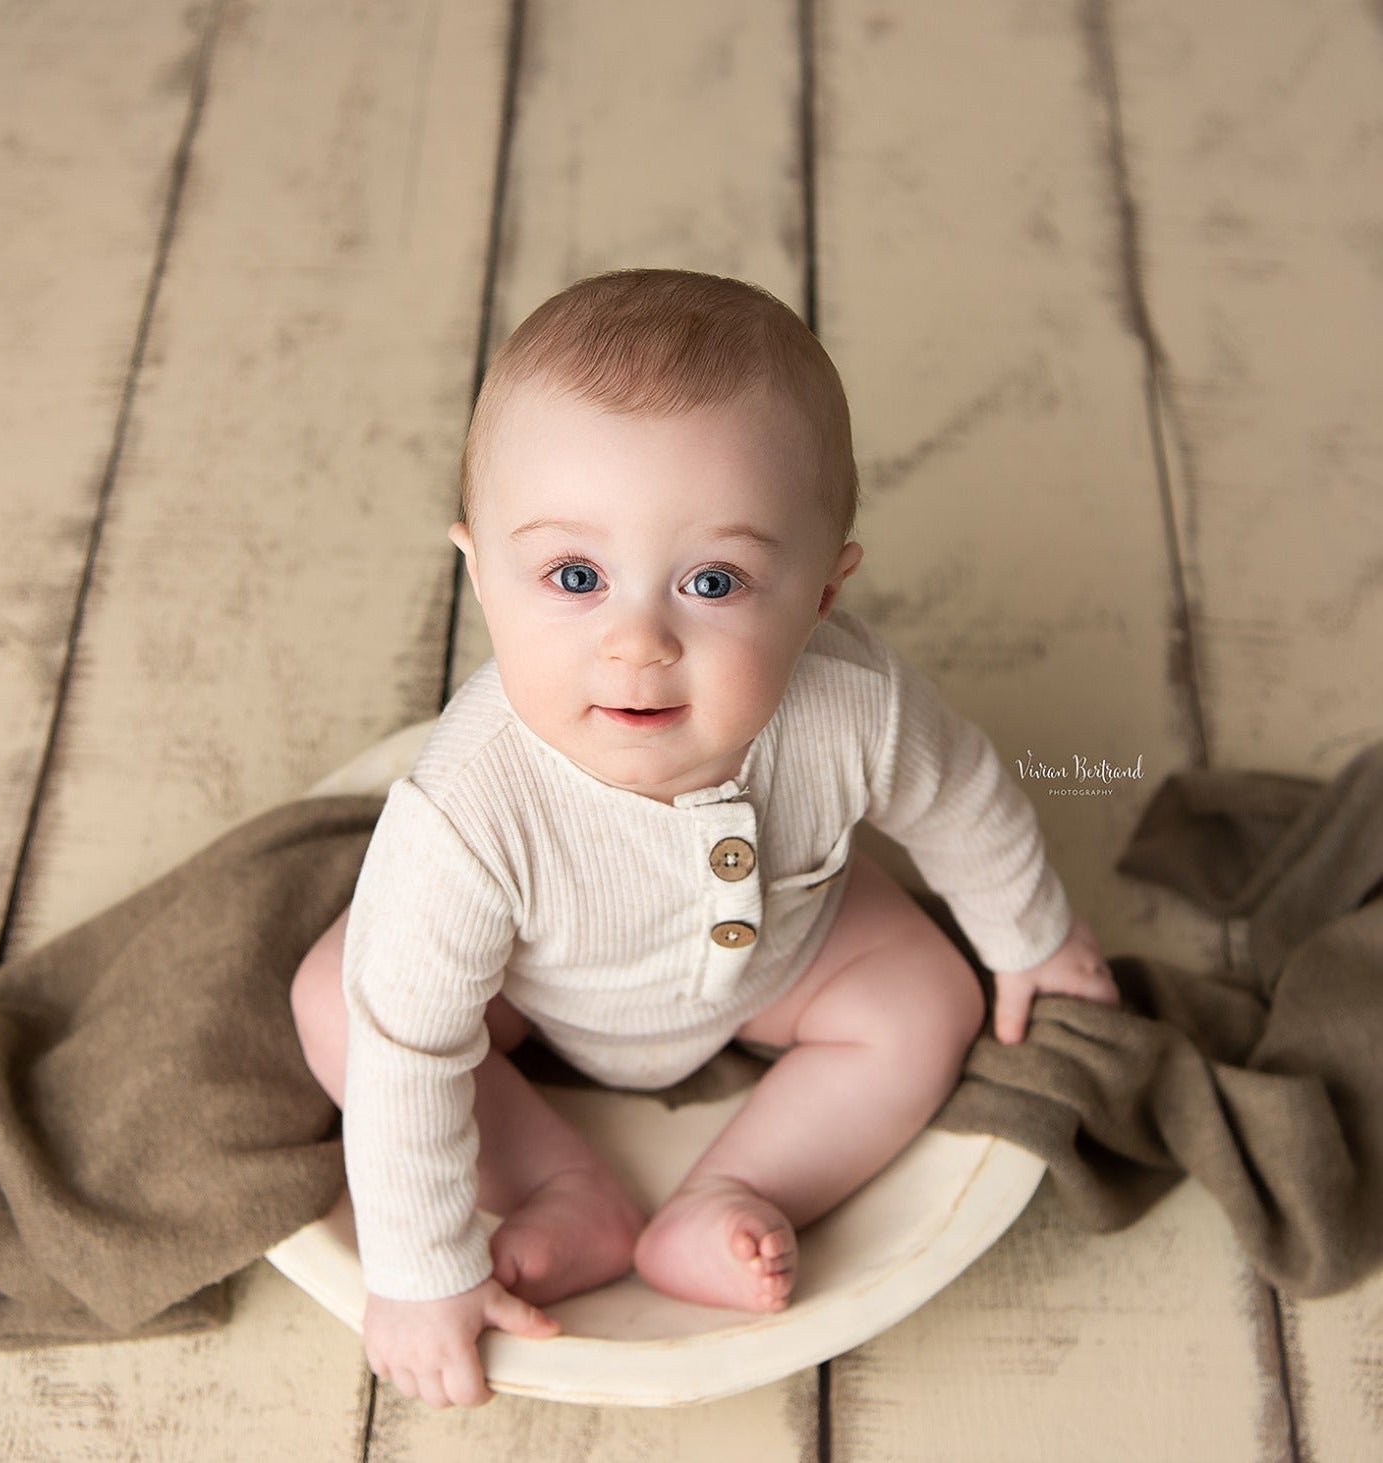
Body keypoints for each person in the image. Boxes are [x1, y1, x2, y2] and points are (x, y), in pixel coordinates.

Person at [289, 267, 1120, 1409]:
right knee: (349, 1005)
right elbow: (411, 1045)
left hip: (783, 959)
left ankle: (734, 1188)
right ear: (480, 574)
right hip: (529, 994)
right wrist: (420, 1268)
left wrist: (1032, 934)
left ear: (819, 594)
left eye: (714, 581)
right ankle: (558, 1183)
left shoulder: (851, 705)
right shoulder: (466, 811)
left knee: (929, 999)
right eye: (574, 576)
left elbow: (961, 795)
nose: (638, 642)